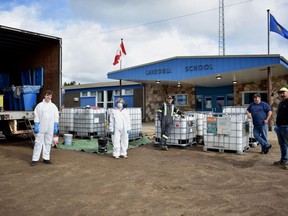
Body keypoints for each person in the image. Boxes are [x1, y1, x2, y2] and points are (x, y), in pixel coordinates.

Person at [31, 90, 59, 166]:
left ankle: (46, 158)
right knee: (38, 143)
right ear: (44, 95)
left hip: (50, 127)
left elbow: (56, 116)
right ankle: (35, 159)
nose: (49, 97)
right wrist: (36, 124)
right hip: (41, 127)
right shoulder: (39, 106)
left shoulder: (53, 106)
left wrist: (55, 125)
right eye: (47, 95)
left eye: (50, 96)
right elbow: (36, 116)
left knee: (48, 142)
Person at [274, 87, 288, 170]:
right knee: (282, 144)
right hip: (280, 126)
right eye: (281, 93)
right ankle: (284, 160)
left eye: (284, 92)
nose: (282, 94)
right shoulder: (281, 103)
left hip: (286, 126)